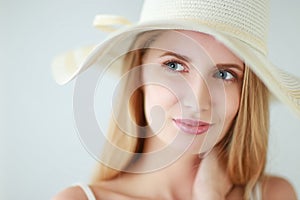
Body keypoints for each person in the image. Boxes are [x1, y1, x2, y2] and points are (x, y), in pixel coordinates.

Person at [52, 0, 299, 199]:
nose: (197, 100)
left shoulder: (272, 195)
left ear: (245, 95)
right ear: (138, 72)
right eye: (174, 65)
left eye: (224, 74)